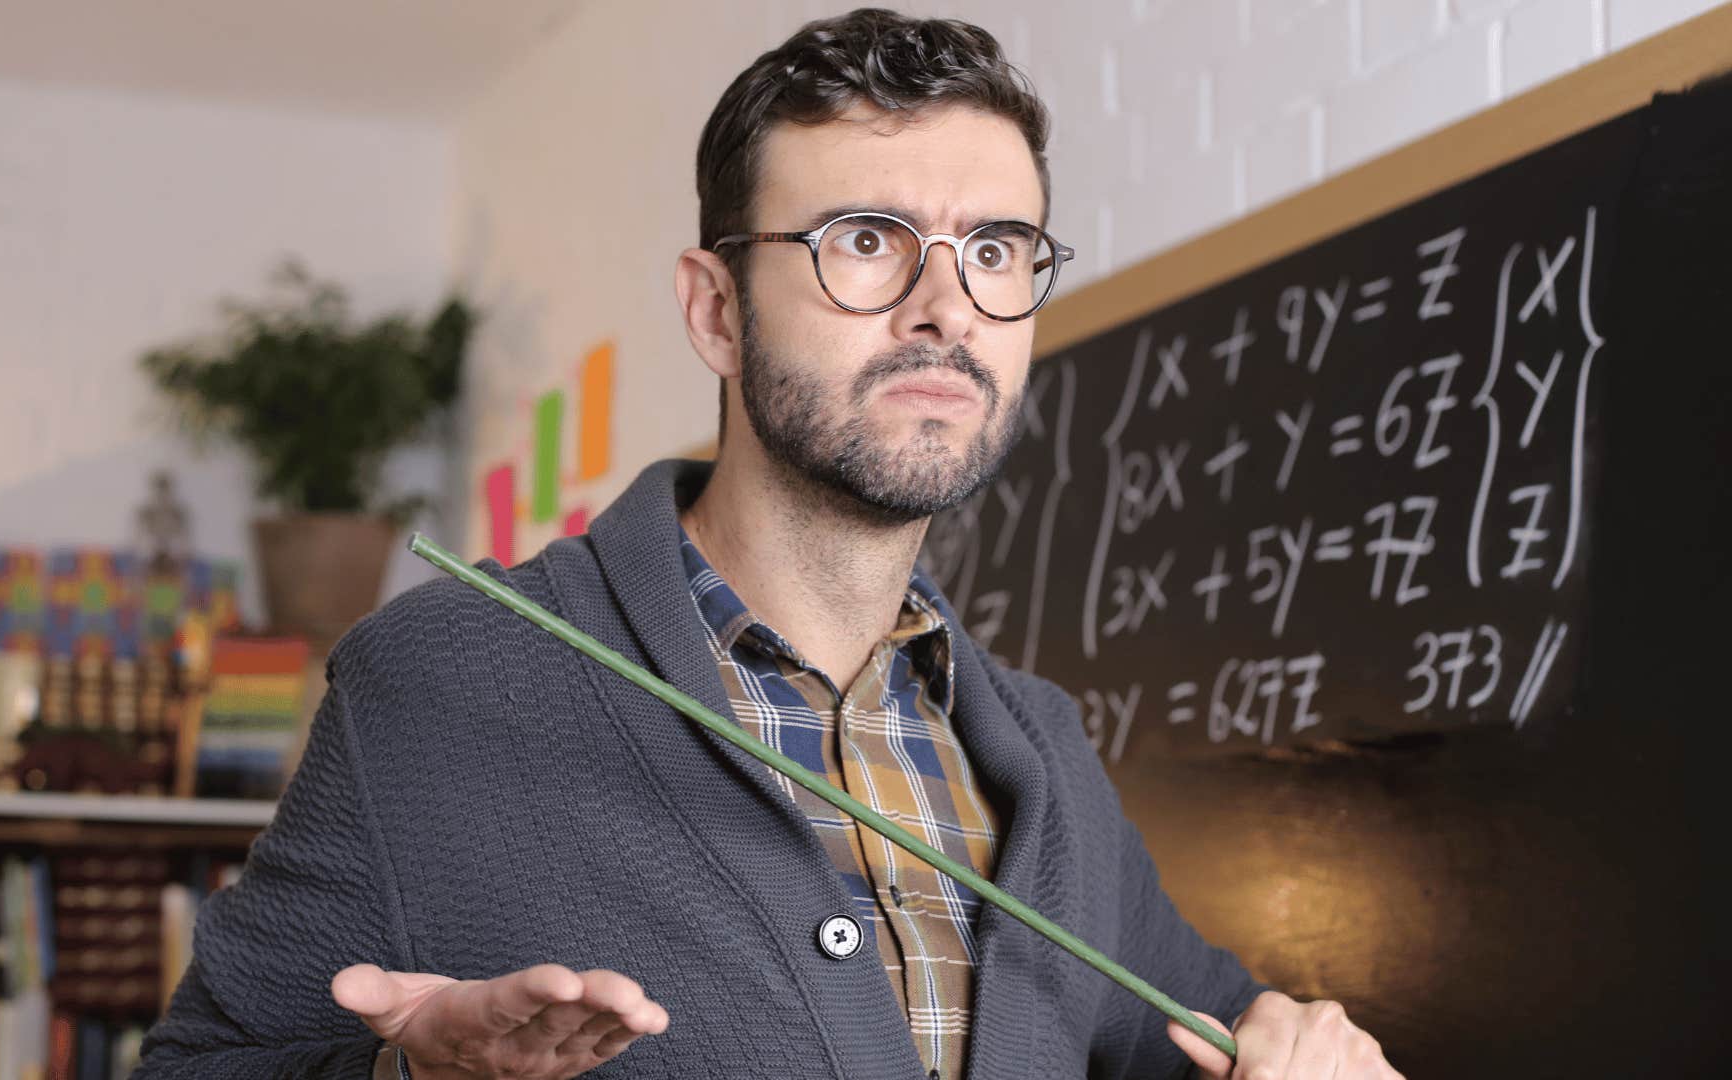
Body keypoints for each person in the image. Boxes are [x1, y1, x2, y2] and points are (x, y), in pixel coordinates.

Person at [135, 9, 1401, 1079]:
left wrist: (1306, 1046)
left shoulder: (1042, 753)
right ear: (715, 309)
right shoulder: (445, 679)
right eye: (863, 241)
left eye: (997, 251)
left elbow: (1213, 1033)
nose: (943, 307)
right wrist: (410, 1070)